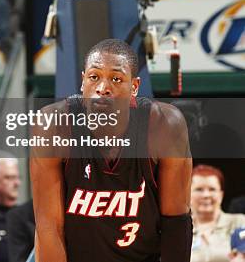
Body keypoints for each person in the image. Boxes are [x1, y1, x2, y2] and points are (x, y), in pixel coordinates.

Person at [30, 38, 193, 262]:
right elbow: (49, 226)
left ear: (134, 87)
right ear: (82, 81)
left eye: (116, 79)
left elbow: (176, 221)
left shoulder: (164, 124)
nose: (103, 88)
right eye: (94, 77)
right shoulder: (54, 125)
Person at [191, 165, 245, 262]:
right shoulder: (180, 230)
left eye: (212, 189)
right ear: (188, 194)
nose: (206, 195)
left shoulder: (239, 221)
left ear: (221, 194)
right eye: (199, 189)